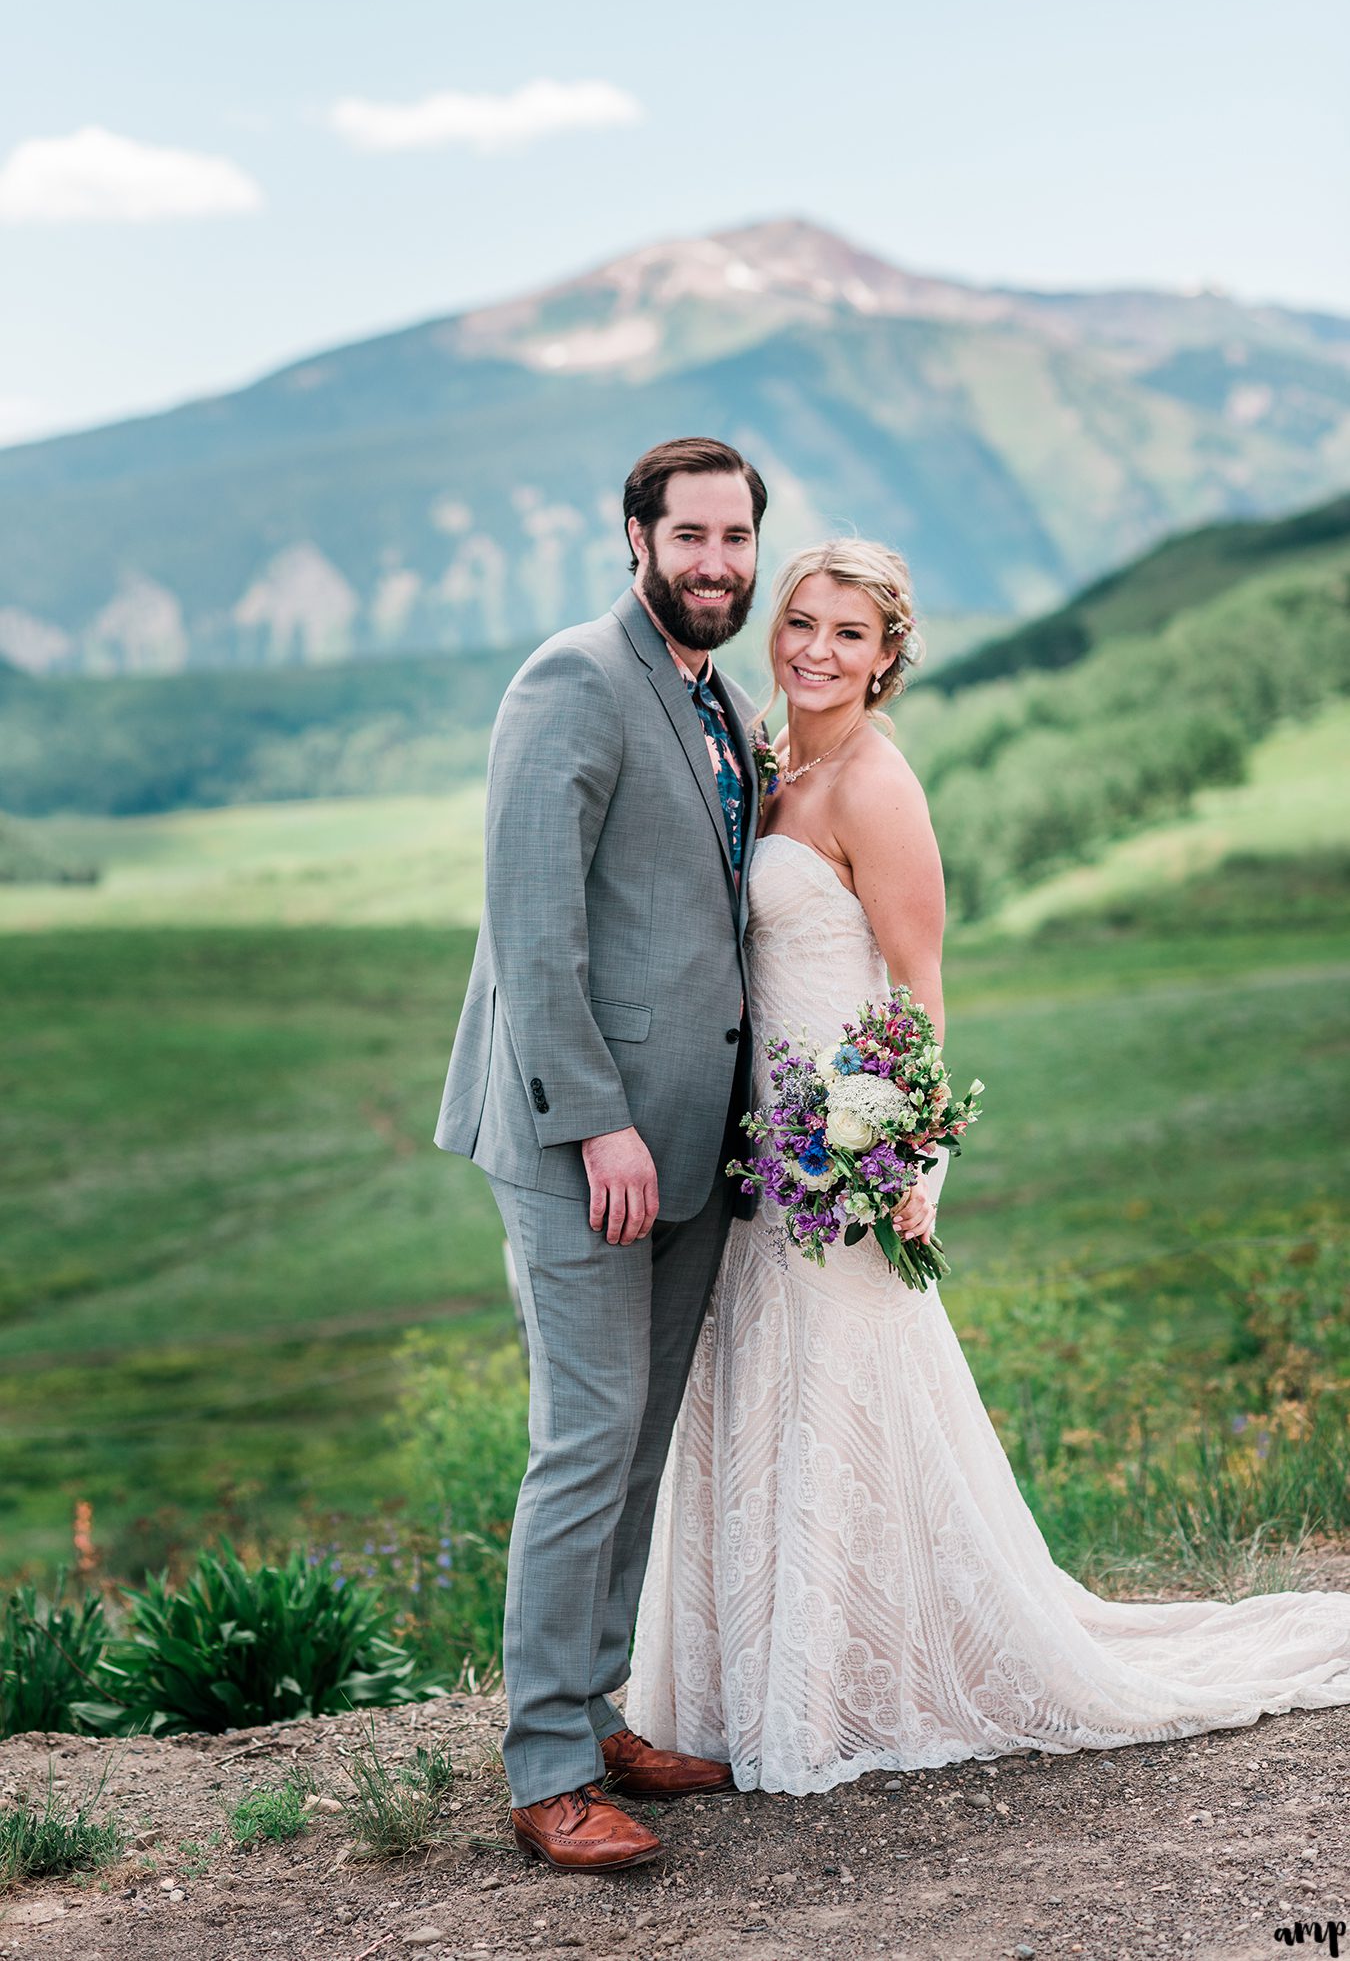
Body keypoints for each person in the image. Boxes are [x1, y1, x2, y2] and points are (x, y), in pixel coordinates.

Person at [627, 537, 1350, 1796]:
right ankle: (770, 1679)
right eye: (800, 621)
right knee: (762, 1403)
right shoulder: (772, 758)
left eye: (848, 634)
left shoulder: (875, 788)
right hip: (762, 1160)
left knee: (844, 1407)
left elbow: (919, 994)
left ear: (889, 654)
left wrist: (905, 1158)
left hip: (836, 1166)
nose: (813, 649)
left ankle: (849, 1689)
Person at [434, 437, 768, 1869]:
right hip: (589, 1144)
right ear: (631, 537)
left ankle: (598, 1708)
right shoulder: (570, 678)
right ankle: (546, 1771)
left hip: (698, 1142)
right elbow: (532, 926)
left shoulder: (716, 696)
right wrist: (596, 1120)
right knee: (581, 1443)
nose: (714, 564)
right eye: (688, 536)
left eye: (735, 539)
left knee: (635, 1445)